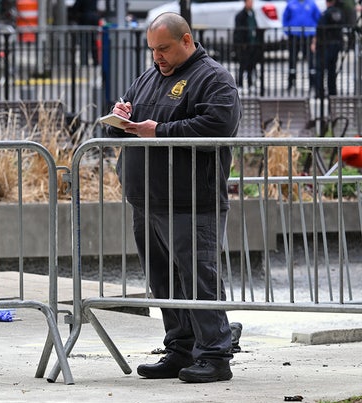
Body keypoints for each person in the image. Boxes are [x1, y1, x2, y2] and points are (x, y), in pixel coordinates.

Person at [105, 12, 241, 383]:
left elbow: (218, 125)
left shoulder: (213, 79)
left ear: (186, 41)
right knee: (164, 282)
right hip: (147, 200)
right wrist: (120, 118)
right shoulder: (148, 79)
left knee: (199, 280)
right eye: (152, 49)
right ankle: (180, 348)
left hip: (192, 202)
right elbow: (127, 125)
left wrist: (160, 130)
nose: (157, 57)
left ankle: (214, 354)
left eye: (163, 48)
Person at [282, 0, 322, 90]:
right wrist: (287, 31)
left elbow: (318, 18)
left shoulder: (311, 3)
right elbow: (285, 17)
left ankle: (313, 82)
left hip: (308, 35)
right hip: (294, 35)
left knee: (311, 60)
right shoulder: (291, 3)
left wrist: (315, 32)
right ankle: (291, 81)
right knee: (292, 60)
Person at [312, 0, 345, 97]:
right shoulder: (340, 13)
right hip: (336, 44)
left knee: (320, 70)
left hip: (325, 45)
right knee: (332, 70)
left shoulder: (325, 14)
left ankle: (320, 92)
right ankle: (332, 92)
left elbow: (320, 29)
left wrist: (315, 42)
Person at [233, 0, 263, 90]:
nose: (251, 4)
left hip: (252, 43)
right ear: (245, 3)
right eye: (249, 2)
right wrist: (241, 43)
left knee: (251, 64)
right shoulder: (240, 15)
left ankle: (250, 83)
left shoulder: (252, 13)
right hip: (245, 44)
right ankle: (240, 84)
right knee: (243, 65)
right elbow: (239, 31)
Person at [71, 0, 100, 66]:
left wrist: (74, 16)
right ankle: (95, 61)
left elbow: (75, 8)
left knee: (84, 40)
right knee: (94, 41)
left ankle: (84, 62)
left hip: (85, 18)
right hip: (95, 17)